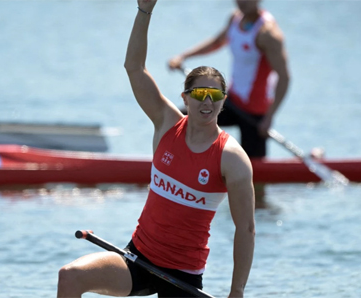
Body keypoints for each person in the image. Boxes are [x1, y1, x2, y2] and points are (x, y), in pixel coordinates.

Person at [57, 0, 255, 297]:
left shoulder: (232, 159)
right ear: (185, 98)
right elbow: (134, 68)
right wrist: (144, 10)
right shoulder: (165, 123)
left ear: (224, 100)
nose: (207, 102)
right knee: (69, 276)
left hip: (183, 275)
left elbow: (246, 230)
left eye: (214, 95)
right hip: (137, 258)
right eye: (199, 93)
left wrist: (236, 292)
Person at [168, 0, 290, 159]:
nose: (242, 2)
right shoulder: (235, 19)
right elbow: (217, 42)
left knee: (254, 174)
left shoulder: (268, 34)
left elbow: (284, 78)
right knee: (178, 119)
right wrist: (183, 56)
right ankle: (179, 164)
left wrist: (269, 118)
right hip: (232, 102)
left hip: (254, 113)